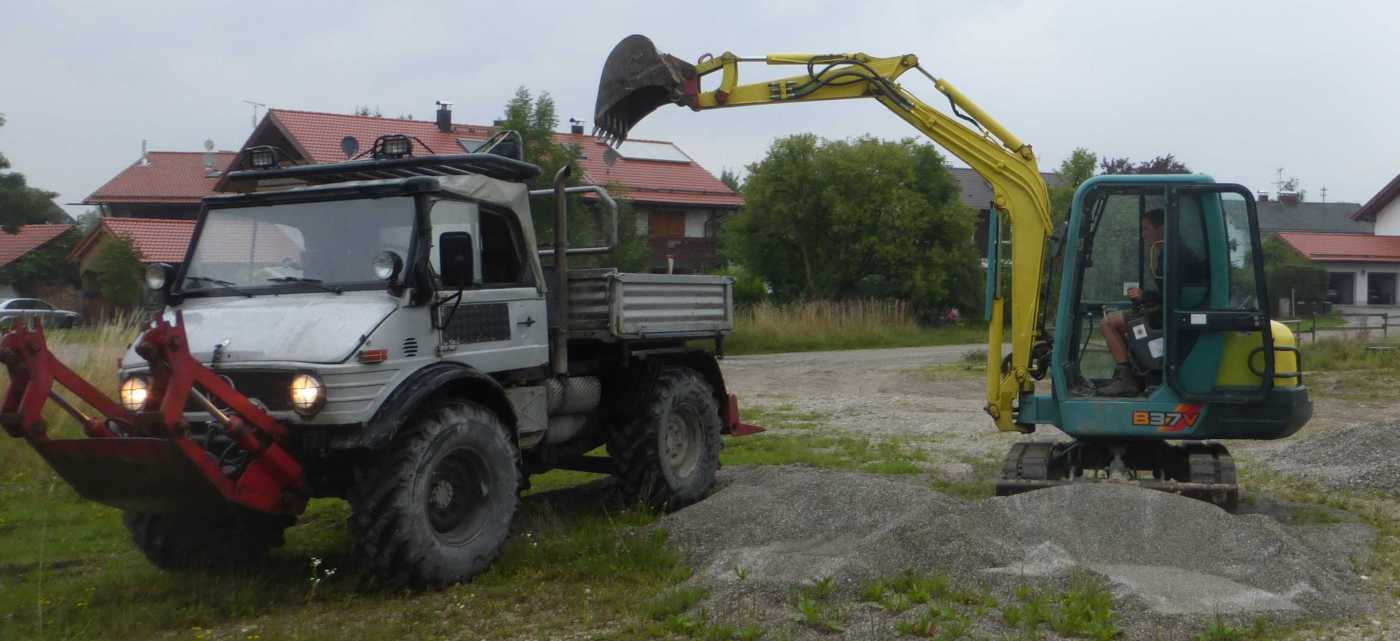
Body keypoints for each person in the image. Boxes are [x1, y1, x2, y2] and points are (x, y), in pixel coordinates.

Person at [1096, 208, 1165, 397]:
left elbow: (1169, 293)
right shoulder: (1166, 252)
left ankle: (1126, 380)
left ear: (1161, 228)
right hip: (1164, 310)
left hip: (1164, 313)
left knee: (1108, 323)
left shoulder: (1168, 254)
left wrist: (1144, 295)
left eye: (1146, 229)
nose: (1143, 235)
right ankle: (1135, 373)